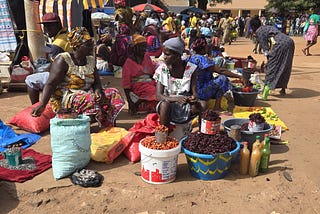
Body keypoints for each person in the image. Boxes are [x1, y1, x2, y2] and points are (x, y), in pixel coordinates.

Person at [31, 27, 125, 127]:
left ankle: (107, 124)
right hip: (66, 98)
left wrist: (98, 91)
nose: (91, 47)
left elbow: (96, 82)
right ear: (77, 46)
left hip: (86, 94)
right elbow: (50, 84)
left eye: (91, 44)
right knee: (89, 99)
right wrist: (42, 104)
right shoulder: (63, 60)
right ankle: (85, 126)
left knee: (113, 93)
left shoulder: (90, 60)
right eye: (88, 45)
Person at [153, 37, 202, 129]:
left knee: (202, 105)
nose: (164, 57)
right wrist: (176, 99)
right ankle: (164, 136)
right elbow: (159, 96)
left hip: (185, 104)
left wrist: (193, 98)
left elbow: (194, 92)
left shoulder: (191, 69)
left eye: (167, 54)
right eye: (164, 54)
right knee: (164, 105)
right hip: (168, 104)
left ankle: (202, 135)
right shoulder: (162, 70)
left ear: (177, 55)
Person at [25, 12, 71, 105]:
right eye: (45, 26)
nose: (46, 29)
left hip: (66, 76)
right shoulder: (66, 36)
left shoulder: (58, 43)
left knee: (30, 80)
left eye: (50, 26)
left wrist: (42, 71)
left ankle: (36, 106)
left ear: (58, 25)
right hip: (72, 71)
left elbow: (55, 68)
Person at [188, 37, 241, 112]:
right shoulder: (202, 59)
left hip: (192, 91)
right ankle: (217, 106)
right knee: (223, 78)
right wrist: (239, 76)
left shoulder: (190, 58)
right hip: (200, 92)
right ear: (203, 48)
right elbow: (221, 70)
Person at [250, 17, 295, 95]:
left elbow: (265, 48)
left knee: (271, 67)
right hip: (290, 42)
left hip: (280, 44)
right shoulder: (267, 27)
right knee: (286, 65)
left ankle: (266, 88)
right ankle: (283, 88)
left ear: (253, 26)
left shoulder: (259, 31)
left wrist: (269, 61)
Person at [122, 34, 157, 115]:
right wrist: (130, 103)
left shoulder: (147, 57)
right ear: (135, 48)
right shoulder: (128, 63)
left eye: (145, 47)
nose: (144, 49)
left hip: (150, 83)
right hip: (137, 87)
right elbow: (126, 85)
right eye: (142, 47)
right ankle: (139, 102)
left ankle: (141, 101)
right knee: (155, 93)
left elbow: (152, 74)